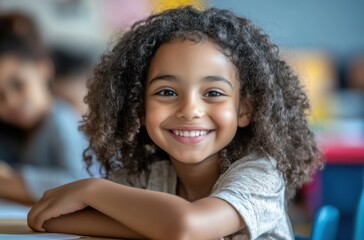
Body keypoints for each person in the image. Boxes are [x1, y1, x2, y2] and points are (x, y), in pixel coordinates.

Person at [27, 7, 322, 239]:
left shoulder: (260, 174)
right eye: (167, 92)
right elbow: (50, 219)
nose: (189, 110)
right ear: (139, 108)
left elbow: (185, 226)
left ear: (244, 109)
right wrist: (160, 228)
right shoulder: (151, 177)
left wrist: (91, 189)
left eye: (213, 93)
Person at [0, 13, 89, 203]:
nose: (11, 102)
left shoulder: (61, 120)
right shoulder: (21, 133)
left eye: (18, 85)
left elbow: (80, 183)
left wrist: (9, 181)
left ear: (43, 69)